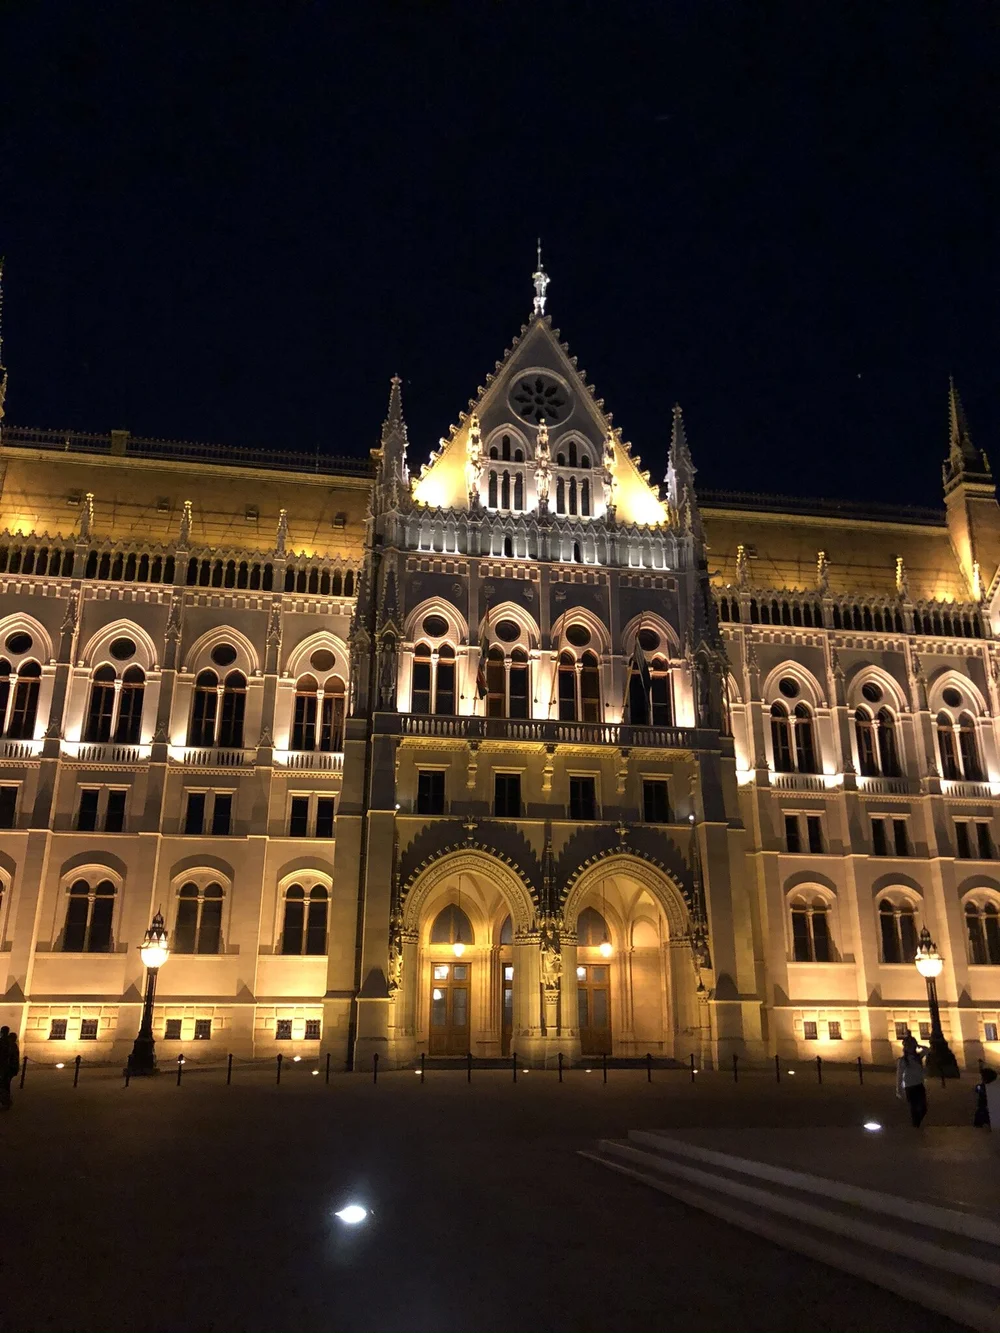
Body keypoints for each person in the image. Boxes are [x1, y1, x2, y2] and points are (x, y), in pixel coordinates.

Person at [896, 1032, 929, 1127]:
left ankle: (917, 1123)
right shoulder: (902, 1060)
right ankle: (916, 1125)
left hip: (919, 1084)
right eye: (909, 1046)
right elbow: (899, 1075)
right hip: (909, 1086)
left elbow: (927, 1049)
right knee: (914, 1107)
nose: (911, 1048)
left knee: (924, 1107)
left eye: (912, 1045)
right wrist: (898, 1089)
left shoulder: (918, 1057)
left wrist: (919, 1045)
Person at [0, 1025, 15, 1111]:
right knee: (5, 1085)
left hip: (2, 1067)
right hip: (7, 1067)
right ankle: (7, 1101)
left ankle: (6, 1101)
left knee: (2, 1085)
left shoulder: (2, 1041)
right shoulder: (10, 1042)